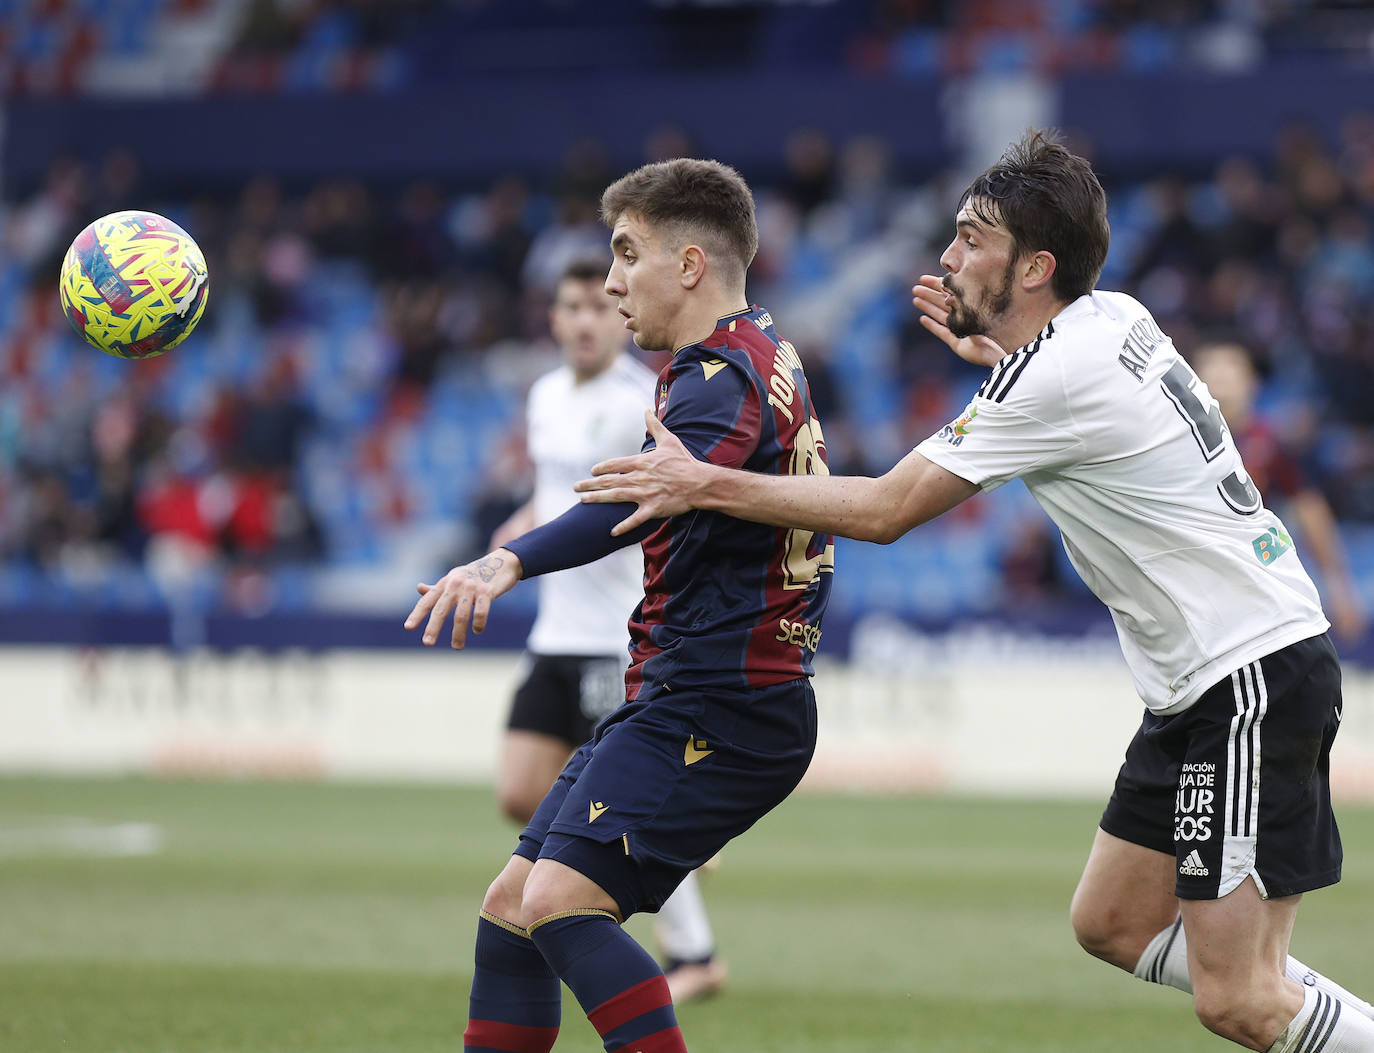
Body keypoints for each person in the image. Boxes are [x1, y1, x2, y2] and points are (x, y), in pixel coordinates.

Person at [576, 130, 1374, 1052]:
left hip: (1249, 676)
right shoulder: (1110, 317)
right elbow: (1063, 403)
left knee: (1238, 997)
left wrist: (703, 482)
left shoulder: (1050, 376)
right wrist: (995, 360)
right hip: (1208, 679)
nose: (948, 255)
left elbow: (883, 510)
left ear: (1034, 266)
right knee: (1112, 920)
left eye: (971, 238)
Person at [405, 158, 832, 1053]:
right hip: (690, 687)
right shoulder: (757, 352)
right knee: (513, 906)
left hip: (724, 697)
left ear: (687, 263)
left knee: (558, 902)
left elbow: (636, 502)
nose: (609, 281)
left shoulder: (716, 377)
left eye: (626, 254)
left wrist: (507, 560)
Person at [488, 256, 728, 1004]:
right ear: (553, 318)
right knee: (519, 789)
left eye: (599, 306)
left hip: (616, 637)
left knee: (611, 810)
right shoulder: (544, 396)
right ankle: (673, 848)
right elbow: (556, 494)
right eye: (571, 306)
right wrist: (514, 537)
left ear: (617, 318)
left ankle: (694, 953)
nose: (586, 319)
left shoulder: (643, 401)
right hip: (554, 631)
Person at [1192, 341, 1366, 643]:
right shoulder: (1176, 444)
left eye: (1230, 368)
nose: (1219, 378)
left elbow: (1309, 510)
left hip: (1258, 591)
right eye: (1210, 368)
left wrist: (1339, 589)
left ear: (1252, 383)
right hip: (1194, 587)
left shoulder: (1271, 444)